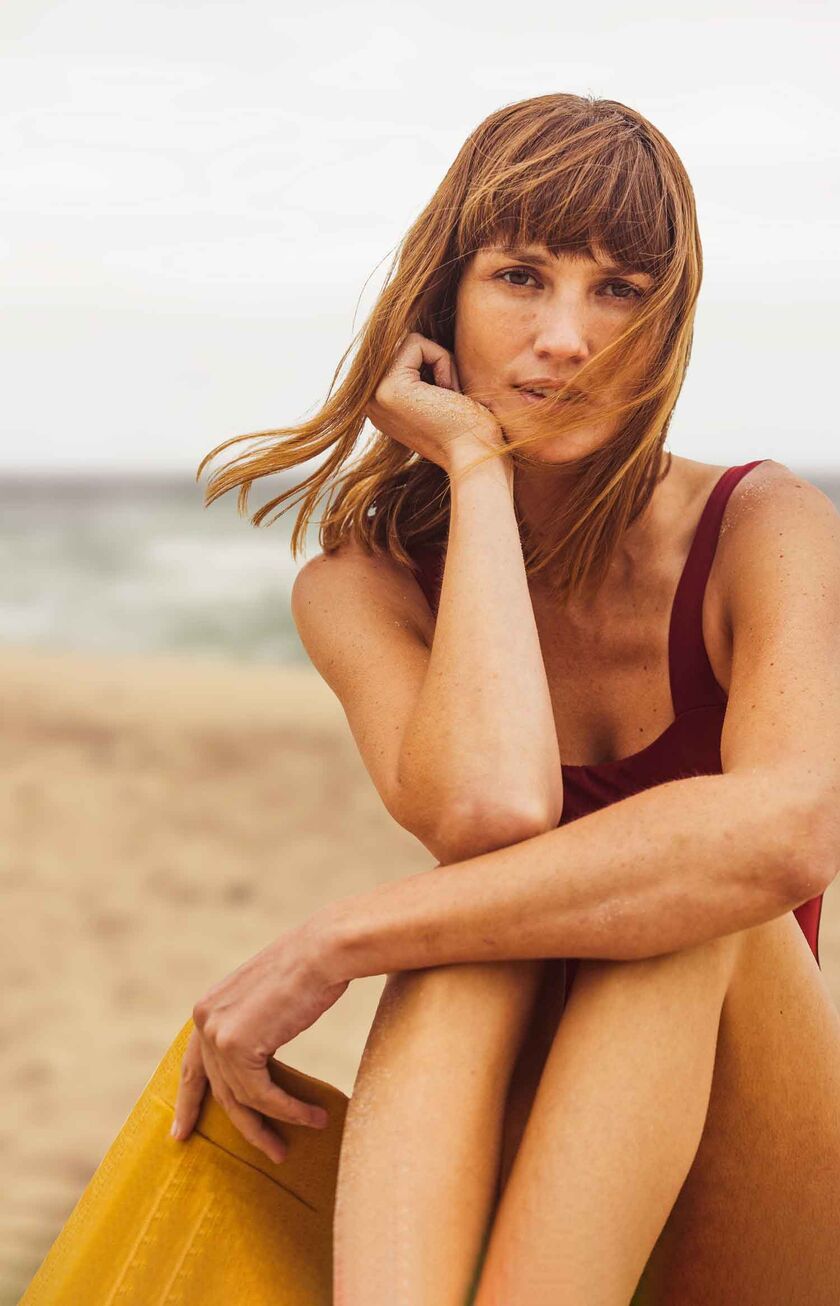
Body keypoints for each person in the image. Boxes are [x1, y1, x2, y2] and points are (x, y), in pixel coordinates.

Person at [23, 93, 840, 1306]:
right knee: (477, 926)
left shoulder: (763, 528)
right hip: (511, 1195)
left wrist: (339, 938)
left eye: (619, 291)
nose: (567, 337)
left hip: (756, 1193)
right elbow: (491, 807)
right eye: (522, 276)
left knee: (687, 895)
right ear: (443, 298)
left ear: (666, 329)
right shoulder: (361, 588)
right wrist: (475, 472)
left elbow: (789, 832)